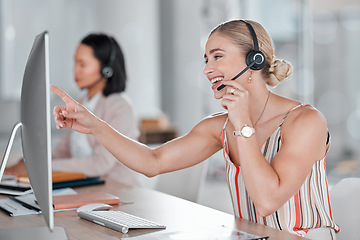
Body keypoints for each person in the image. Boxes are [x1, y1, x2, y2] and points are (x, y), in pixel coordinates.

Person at [51, 20, 339, 239]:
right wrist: (95, 126)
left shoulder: (305, 121)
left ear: (254, 60)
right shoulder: (219, 127)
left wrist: (243, 124)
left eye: (216, 57)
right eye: (205, 60)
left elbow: (267, 201)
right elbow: (153, 163)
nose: (206, 69)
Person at [6, 33, 141, 186]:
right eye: (75, 63)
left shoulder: (120, 106)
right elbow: (63, 151)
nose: (75, 70)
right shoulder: (82, 102)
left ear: (106, 70)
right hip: (86, 186)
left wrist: (44, 167)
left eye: (82, 64)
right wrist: (30, 164)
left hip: (119, 190)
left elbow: (100, 164)